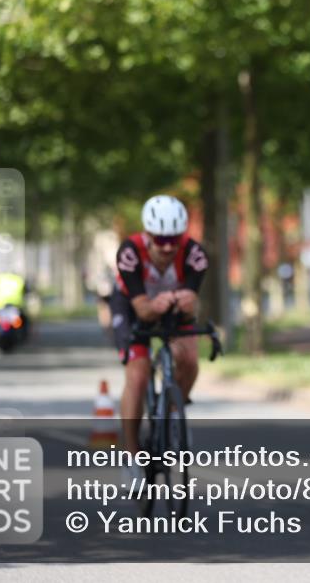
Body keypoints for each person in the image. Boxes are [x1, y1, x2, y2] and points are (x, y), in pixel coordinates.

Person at [110, 195, 208, 478]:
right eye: (160, 239)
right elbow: (141, 309)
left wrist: (186, 303)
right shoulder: (129, 252)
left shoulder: (195, 255)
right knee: (138, 376)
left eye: (173, 239)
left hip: (172, 308)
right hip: (132, 306)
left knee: (190, 359)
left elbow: (191, 305)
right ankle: (131, 456)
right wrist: (153, 306)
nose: (167, 246)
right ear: (148, 233)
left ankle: (174, 415)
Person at [0, 272, 30, 336]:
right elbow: (25, 291)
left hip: (0, 305)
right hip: (15, 305)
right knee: (24, 321)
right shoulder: (18, 280)